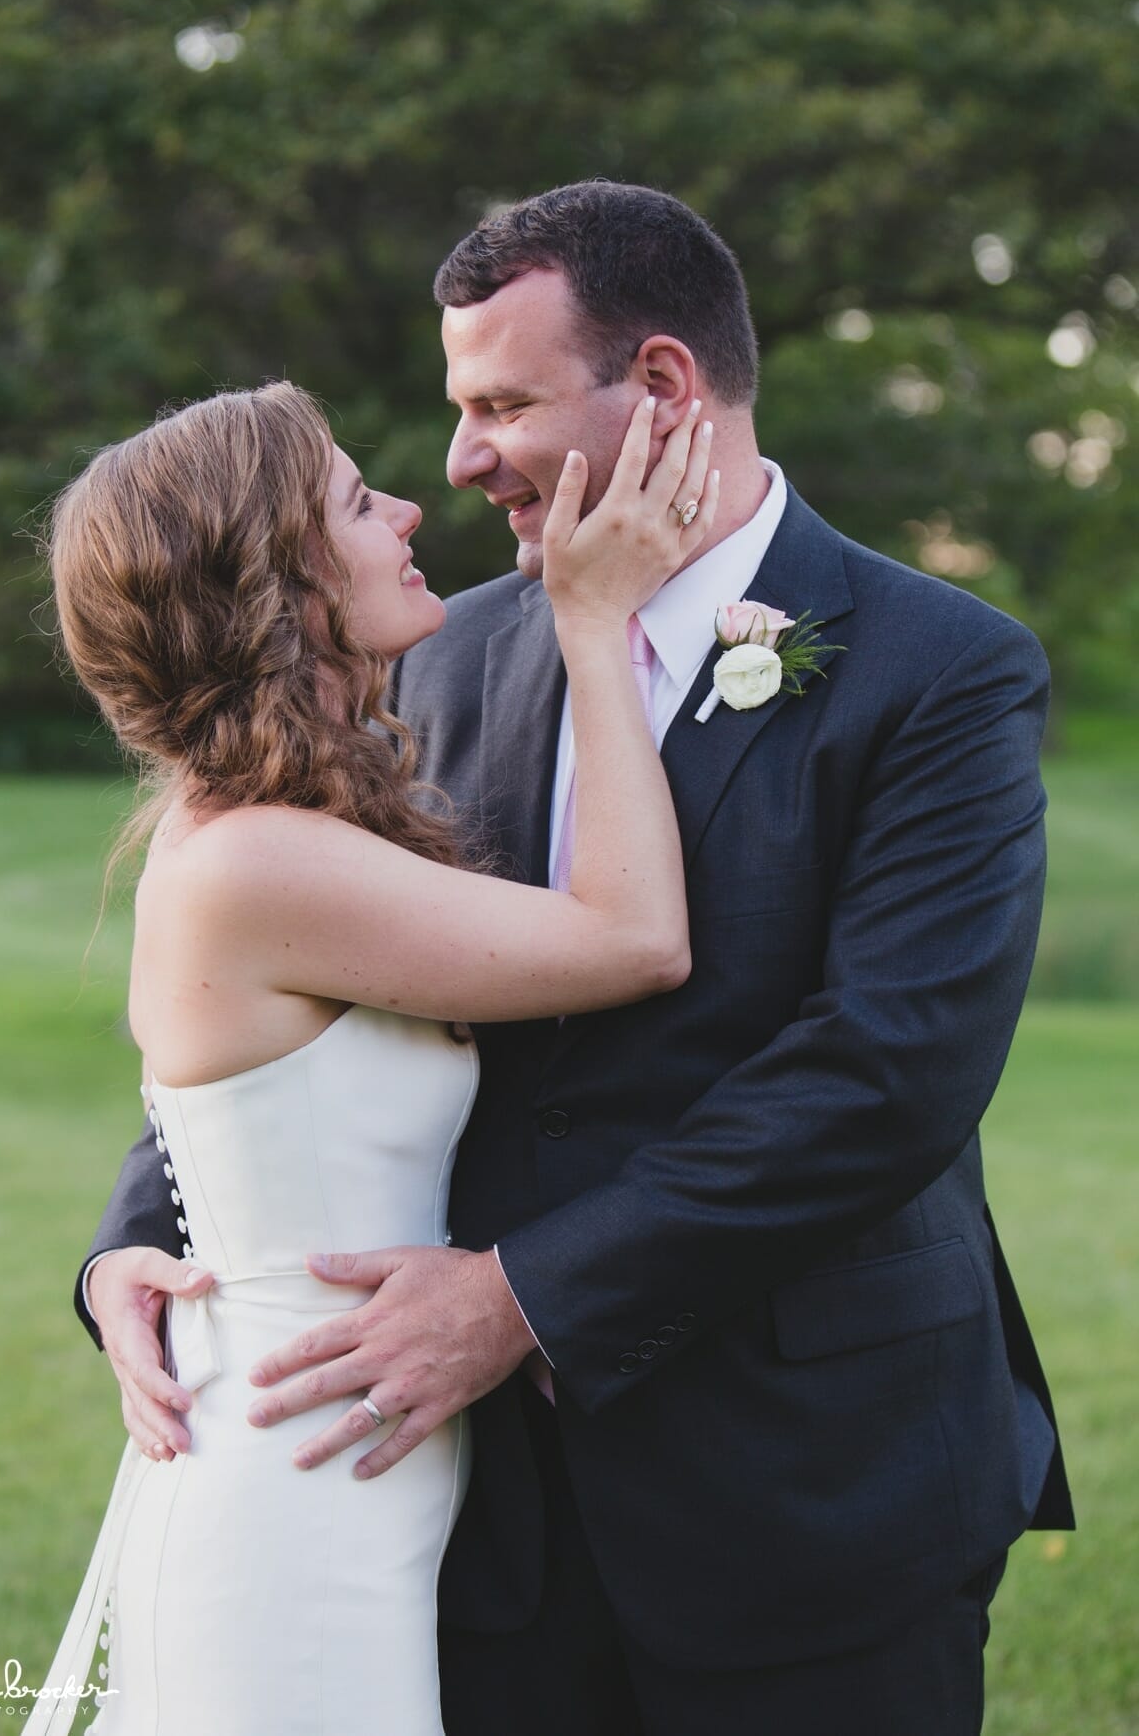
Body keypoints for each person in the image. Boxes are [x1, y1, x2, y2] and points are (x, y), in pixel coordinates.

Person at [81, 183, 1074, 1736]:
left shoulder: (940, 669)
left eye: (501, 405)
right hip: (484, 1527)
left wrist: (523, 1298)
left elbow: (892, 1073)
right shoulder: (445, 650)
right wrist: (133, 1242)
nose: (463, 458)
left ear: (665, 386)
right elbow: (287, 994)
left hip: (806, 1487)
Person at [30, 375, 716, 1736]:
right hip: (288, 1504)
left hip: (353, 1468)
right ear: (273, 579)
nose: (410, 507)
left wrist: (118, 1256)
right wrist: (596, 619)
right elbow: (636, 937)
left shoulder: (289, 827)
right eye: (355, 498)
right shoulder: (257, 863)